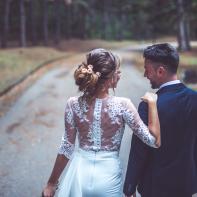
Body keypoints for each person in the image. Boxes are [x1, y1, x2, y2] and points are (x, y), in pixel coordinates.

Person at [42, 48, 161, 197]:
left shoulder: (73, 104)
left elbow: (66, 148)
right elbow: (153, 141)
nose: (120, 74)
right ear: (110, 77)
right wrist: (153, 103)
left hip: (79, 175)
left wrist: (51, 183)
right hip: (108, 178)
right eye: (117, 71)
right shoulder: (123, 105)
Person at [124, 43, 197, 197]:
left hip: (154, 187)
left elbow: (139, 151)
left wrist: (129, 187)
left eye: (147, 69)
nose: (145, 74)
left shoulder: (148, 105)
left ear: (160, 71)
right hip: (186, 185)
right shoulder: (194, 99)